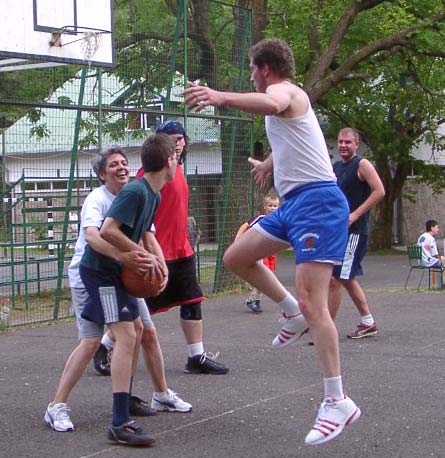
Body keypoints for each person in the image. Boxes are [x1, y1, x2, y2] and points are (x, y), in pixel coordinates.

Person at [184, 37, 360, 446]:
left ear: (265, 69)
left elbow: (273, 103)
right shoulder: (288, 104)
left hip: (317, 203)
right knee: (236, 257)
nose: (250, 77)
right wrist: (269, 162)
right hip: (293, 204)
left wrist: (219, 97)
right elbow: (296, 140)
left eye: (251, 70)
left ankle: (338, 400)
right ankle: (290, 312)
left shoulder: (285, 91)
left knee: (316, 302)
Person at [78, 134, 177, 446]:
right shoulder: (135, 192)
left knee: (136, 330)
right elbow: (107, 231)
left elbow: (147, 236)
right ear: (170, 162)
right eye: (176, 157)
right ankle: (119, 422)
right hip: (100, 273)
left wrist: (161, 267)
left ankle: (126, 404)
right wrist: (137, 257)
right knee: (127, 335)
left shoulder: (153, 195)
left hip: (117, 273)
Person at [134, 121, 228, 376]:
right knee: (139, 308)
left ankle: (195, 357)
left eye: (181, 138)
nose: (178, 143)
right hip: (157, 252)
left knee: (192, 300)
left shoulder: (179, 170)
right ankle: (105, 346)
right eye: (172, 139)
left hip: (182, 249)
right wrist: (144, 250)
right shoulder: (148, 175)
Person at [328, 127, 385, 339]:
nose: (343, 145)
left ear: (356, 144)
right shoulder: (335, 168)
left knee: (338, 278)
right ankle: (367, 321)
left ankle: (328, 329)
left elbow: (379, 191)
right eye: (340, 142)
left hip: (356, 232)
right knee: (343, 278)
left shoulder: (362, 165)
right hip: (338, 232)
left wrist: (355, 215)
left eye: (348, 142)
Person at [235, 190, 280, 313]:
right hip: (260, 251)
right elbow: (245, 225)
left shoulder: (279, 220)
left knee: (268, 276)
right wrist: (238, 238)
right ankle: (251, 299)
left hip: (272, 252)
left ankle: (257, 300)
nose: (272, 208)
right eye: (270, 205)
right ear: (265, 206)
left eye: (275, 206)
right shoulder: (261, 218)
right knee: (264, 277)